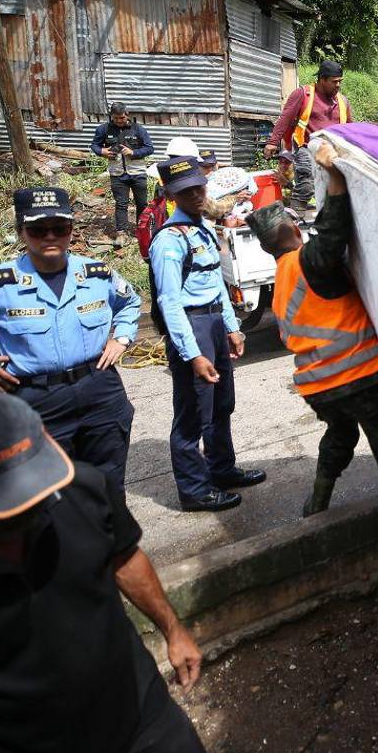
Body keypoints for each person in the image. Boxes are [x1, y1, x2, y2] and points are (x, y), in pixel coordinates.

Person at [0, 392, 214, 753]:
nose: (26, 517)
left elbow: (125, 556)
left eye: (35, 497)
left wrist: (174, 630)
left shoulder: (84, 489)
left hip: (137, 724)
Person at [248, 152, 378, 595]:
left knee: (339, 436)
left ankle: (316, 505)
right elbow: (333, 234)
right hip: (363, 377)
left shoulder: (280, 280)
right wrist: (335, 177)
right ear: (293, 231)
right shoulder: (307, 262)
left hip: (321, 389)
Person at [0, 187, 140, 491]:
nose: (50, 236)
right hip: (38, 399)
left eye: (59, 228)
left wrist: (121, 337)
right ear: (21, 232)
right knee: (51, 494)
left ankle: (114, 538)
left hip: (100, 390)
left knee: (107, 486)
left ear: (71, 230)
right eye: (38, 229)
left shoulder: (96, 273)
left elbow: (130, 302)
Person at [149, 157, 265, 512]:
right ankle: (195, 490)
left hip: (213, 322)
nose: (197, 194)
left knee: (221, 405)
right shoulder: (169, 241)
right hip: (191, 327)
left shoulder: (201, 229)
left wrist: (232, 326)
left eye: (199, 187)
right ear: (170, 194)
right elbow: (169, 303)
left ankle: (222, 469)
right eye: (186, 191)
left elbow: (216, 283)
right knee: (192, 415)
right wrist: (193, 354)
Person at [266, 60, 352, 212]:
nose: (338, 85)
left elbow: (351, 128)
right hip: (306, 147)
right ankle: (296, 215)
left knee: (333, 187)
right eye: (334, 82)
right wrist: (273, 142)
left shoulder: (343, 101)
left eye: (340, 82)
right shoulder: (303, 94)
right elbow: (285, 118)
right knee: (306, 183)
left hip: (332, 151)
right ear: (322, 79)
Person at [90, 102, 155, 245]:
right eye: (116, 118)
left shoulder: (138, 129)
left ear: (127, 114)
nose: (119, 121)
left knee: (142, 203)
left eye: (122, 118)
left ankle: (142, 230)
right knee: (121, 204)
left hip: (137, 173)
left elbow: (150, 148)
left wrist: (133, 152)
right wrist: (103, 152)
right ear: (111, 116)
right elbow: (94, 145)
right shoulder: (104, 129)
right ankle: (121, 233)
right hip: (117, 173)